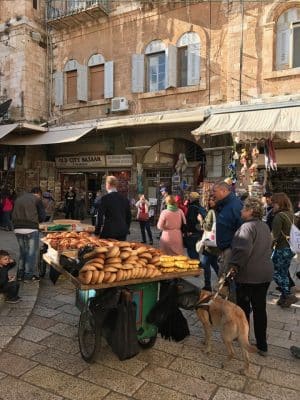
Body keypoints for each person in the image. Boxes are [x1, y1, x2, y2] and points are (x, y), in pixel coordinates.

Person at [229, 197, 273, 356]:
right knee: (260, 309)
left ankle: (244, 338)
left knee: (243, 309)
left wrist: (233, 266)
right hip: (265, 273)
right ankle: (262, 345)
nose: (241, 211)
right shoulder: (265, 226)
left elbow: (242, 250)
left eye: (243, 209)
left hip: (249, 275)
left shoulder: (247, 227)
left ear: (250, 211)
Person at [12, 187, 46, 282]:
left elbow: (12, 212)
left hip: (17, 228)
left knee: (23, 252)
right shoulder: (37, 199)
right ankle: (28, 276)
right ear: (39, 193)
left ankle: (20, 274)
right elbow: (42, 216)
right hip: (31, 228)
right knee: (31, 253)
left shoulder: (19, 198)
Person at [271, 192, 298, 307]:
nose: (272, 205)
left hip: (281, 248)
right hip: (290, 248)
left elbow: (274, 236)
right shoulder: (292, 215)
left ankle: (287, 295)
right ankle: (284, 298)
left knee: (275, 273)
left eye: (274, 202)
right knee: (284, 272)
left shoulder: (279, 216)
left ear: (279, 203)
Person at [213, 182, 243, 277]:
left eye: (215, 191)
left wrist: (233, 247)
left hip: (230, 249)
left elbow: (242, 229)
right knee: (224, 279)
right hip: (225, 248)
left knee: (226, 280)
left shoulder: (234, 205)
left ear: (223, 191)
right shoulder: (224, 204)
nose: (213, 194)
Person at [95, 175, 131, 241]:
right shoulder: (125, 199)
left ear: (108, 184)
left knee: (108, 251)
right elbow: (129, 217)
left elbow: (99, 217)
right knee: (120, 250)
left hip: (109, 232)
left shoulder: (105, 199)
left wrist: (97, 232)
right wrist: (126, 228)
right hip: (122, 232)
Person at [198, 195, 219, 291]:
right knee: (214, 263)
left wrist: (201, 220)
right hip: (216, 241)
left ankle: (207, 285)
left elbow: (207, 227)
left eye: (213, 200)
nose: (210, 201)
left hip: (209, 243)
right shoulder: (220, 211)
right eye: (210, 199)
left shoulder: (211, 212)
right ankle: (225, 282)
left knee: (205, 263)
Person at [185, 192, 206, 260]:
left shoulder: (191, 208)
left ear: (191, 198)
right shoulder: (200, 207)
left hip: (192, 233)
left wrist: (188, 231)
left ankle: (199, 267)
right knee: (196, 252)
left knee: (192, 253)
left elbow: (190, 221)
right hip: (199, 232)